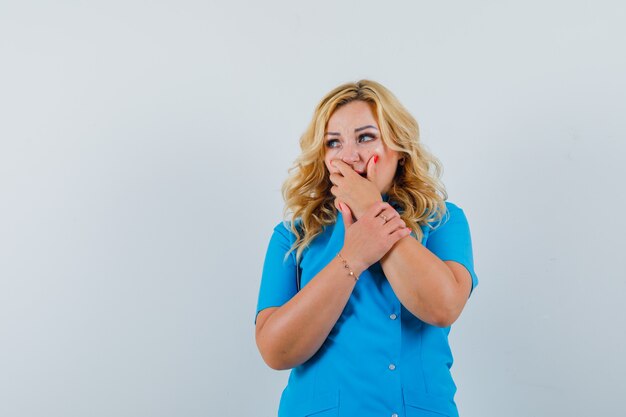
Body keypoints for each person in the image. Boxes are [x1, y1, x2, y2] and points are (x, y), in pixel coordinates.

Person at [255, 79, 478, 417]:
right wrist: (354, 255)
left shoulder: (442, 221)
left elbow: (443, 307)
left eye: (366, 137)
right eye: (333, 143)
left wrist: (372, 209)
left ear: (399, 148)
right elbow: (275, 351)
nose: (349, 155)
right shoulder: (294, 234)